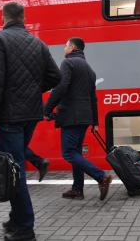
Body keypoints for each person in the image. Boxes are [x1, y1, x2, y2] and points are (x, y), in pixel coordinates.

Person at [0, 2, 61, 241]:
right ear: (24, 17)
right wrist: (33, 91)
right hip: (31, 114)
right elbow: (55, 77)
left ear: (3, 17)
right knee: (15, 166)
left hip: (9, 116)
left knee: (15, 170)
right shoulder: (38, 42)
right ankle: (16, 220)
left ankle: (25, 229)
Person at [44, 37, 113, 201]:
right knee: (75, 152)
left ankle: (101, 177)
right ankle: (77, 189)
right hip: (84, 117)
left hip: (71, 117)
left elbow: (61, 86)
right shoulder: (89, 69)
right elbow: (93, 98)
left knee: (68, 153)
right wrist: (95, 121)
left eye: (66, 44)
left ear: (73, 47)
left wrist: (47, 109)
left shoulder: (68, 63)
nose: (64, 47)